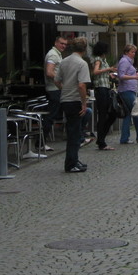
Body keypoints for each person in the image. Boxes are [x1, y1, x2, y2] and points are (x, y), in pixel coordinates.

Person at [54, 37, 91, 173]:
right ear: (84, 49)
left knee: (73, 131)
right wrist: (84, 103)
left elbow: (56, 80)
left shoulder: (64, 61)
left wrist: (64, 88)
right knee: (75, 134)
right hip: (75, 100)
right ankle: (71, 164)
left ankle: (74, 160)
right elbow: (82, 85)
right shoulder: (82, 63)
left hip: (65, 99)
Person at [117, 44, 138, 144]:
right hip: (127, 90)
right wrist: (135, 77)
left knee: (129, 114)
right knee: (136, 111)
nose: (134, 54)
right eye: (132, 52)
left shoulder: (128, 62)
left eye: (134, 52)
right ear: (126, 52)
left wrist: (137, 74)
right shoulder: (124, 61)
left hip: (131, 89)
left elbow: (128, 74)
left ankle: (124, 138)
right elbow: (121, 76)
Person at [41, 36, 67, 151]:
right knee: (51, 116)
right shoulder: (53, 55)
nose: (63, 46)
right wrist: (60, 81)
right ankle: (41, 142)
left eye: (65, 44)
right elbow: (49, 72)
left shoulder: (57, 54)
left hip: (56, 88)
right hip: (54, 89)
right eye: (61, 43)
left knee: (55, 115)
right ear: (56, 43)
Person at [91, 42, 117, 151]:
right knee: (103, 114)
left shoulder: (103, 59)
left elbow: (101, 73)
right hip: (101, 88)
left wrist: (109, 74)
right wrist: (108, 69)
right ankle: (101, 141)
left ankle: (101, 138)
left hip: (105, 87)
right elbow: (95, 72)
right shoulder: (98, 59)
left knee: (111, 113)